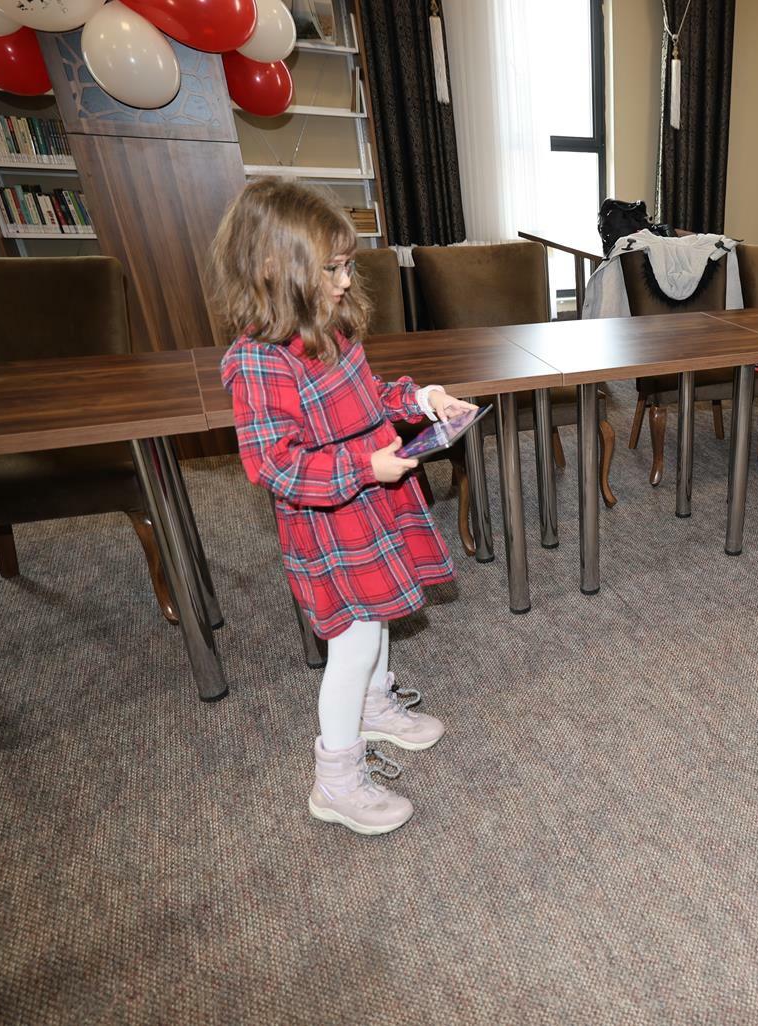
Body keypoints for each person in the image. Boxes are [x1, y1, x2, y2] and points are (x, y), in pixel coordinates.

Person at [211, 179, 472, 836]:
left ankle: (376, 708)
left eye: (347, 264)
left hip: (370, 503)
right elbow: (272, 464)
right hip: (331, 521)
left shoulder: (330, 329)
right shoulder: (259, 363)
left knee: (380, 616)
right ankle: (335, 777)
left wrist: (422, 399)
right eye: (331, 268)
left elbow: (374, 395)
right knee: (351, 643)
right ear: (274, 267)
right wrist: (364, 466)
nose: (344, 279)